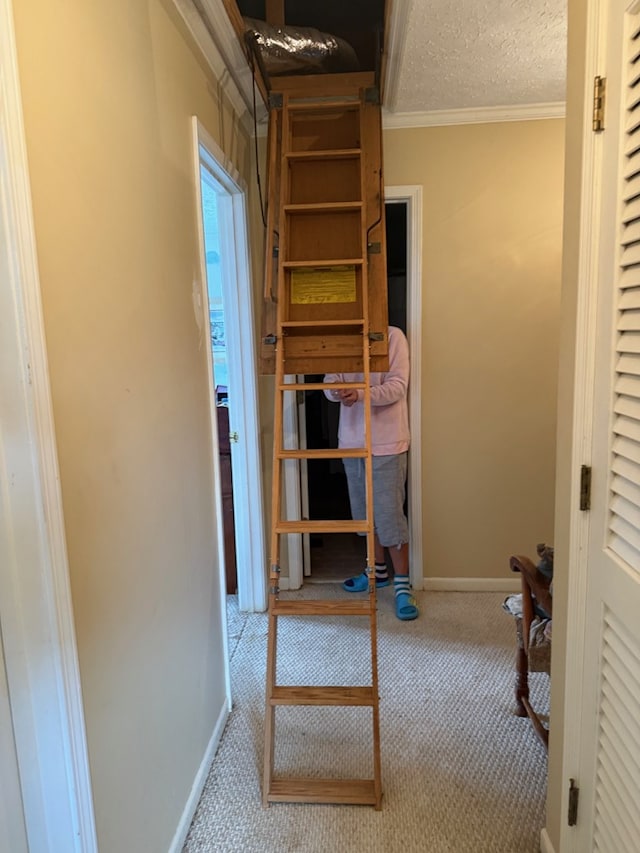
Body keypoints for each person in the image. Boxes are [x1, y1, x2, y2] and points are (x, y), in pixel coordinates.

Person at [324, 325, 418, 621]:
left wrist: (361, 393)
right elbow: (328, 383)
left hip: (388, 441)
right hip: (352, 440)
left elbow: (398, 385)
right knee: (364, 514)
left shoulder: (393, 336)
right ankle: (376, 573)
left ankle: (402, 584)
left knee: (389, 514)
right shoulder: (342, 339)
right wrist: (337, 391)